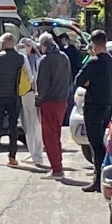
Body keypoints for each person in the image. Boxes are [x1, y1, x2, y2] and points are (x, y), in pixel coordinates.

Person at [75, 30, 112, 193]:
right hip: (107, 105)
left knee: (96, 144)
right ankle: (101, 175)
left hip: (94, 106)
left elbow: (78, 80)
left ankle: (98, 179)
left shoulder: (94, 62)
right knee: (99, 142)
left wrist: (88, 84)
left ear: (92, 44)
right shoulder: (111, 61)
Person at [0, 33, 32, 166]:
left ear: (3, 44)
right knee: (13, 127)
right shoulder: (22, 58)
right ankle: (12, 157)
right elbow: (29, 76)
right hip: (14, 96)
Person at [35, 33, 71, 179]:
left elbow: (41, 84)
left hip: (49, 101)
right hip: (62, 100)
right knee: (56, 134)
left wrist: (38, 98)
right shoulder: (64, 57)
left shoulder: (46, 60)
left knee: (49, 136)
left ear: (43, 45)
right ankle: (58, 165)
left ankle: (56, 169)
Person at [18, 37, 44, 165]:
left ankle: (37, 155)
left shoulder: (37, 60)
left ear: (31, 47)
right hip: (24, 94)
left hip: (33, 94)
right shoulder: (21, 60)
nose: (23, 49)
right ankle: (32, 152)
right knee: (26, 124)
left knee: (35, 124)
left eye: (26, 46)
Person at [57, 33, 84, 125]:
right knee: (71, 100)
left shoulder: (62, 52)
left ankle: (63, 119)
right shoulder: (75, 52)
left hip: (63, 77)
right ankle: (68, 119)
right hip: (73, 77)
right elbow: (80, 65)